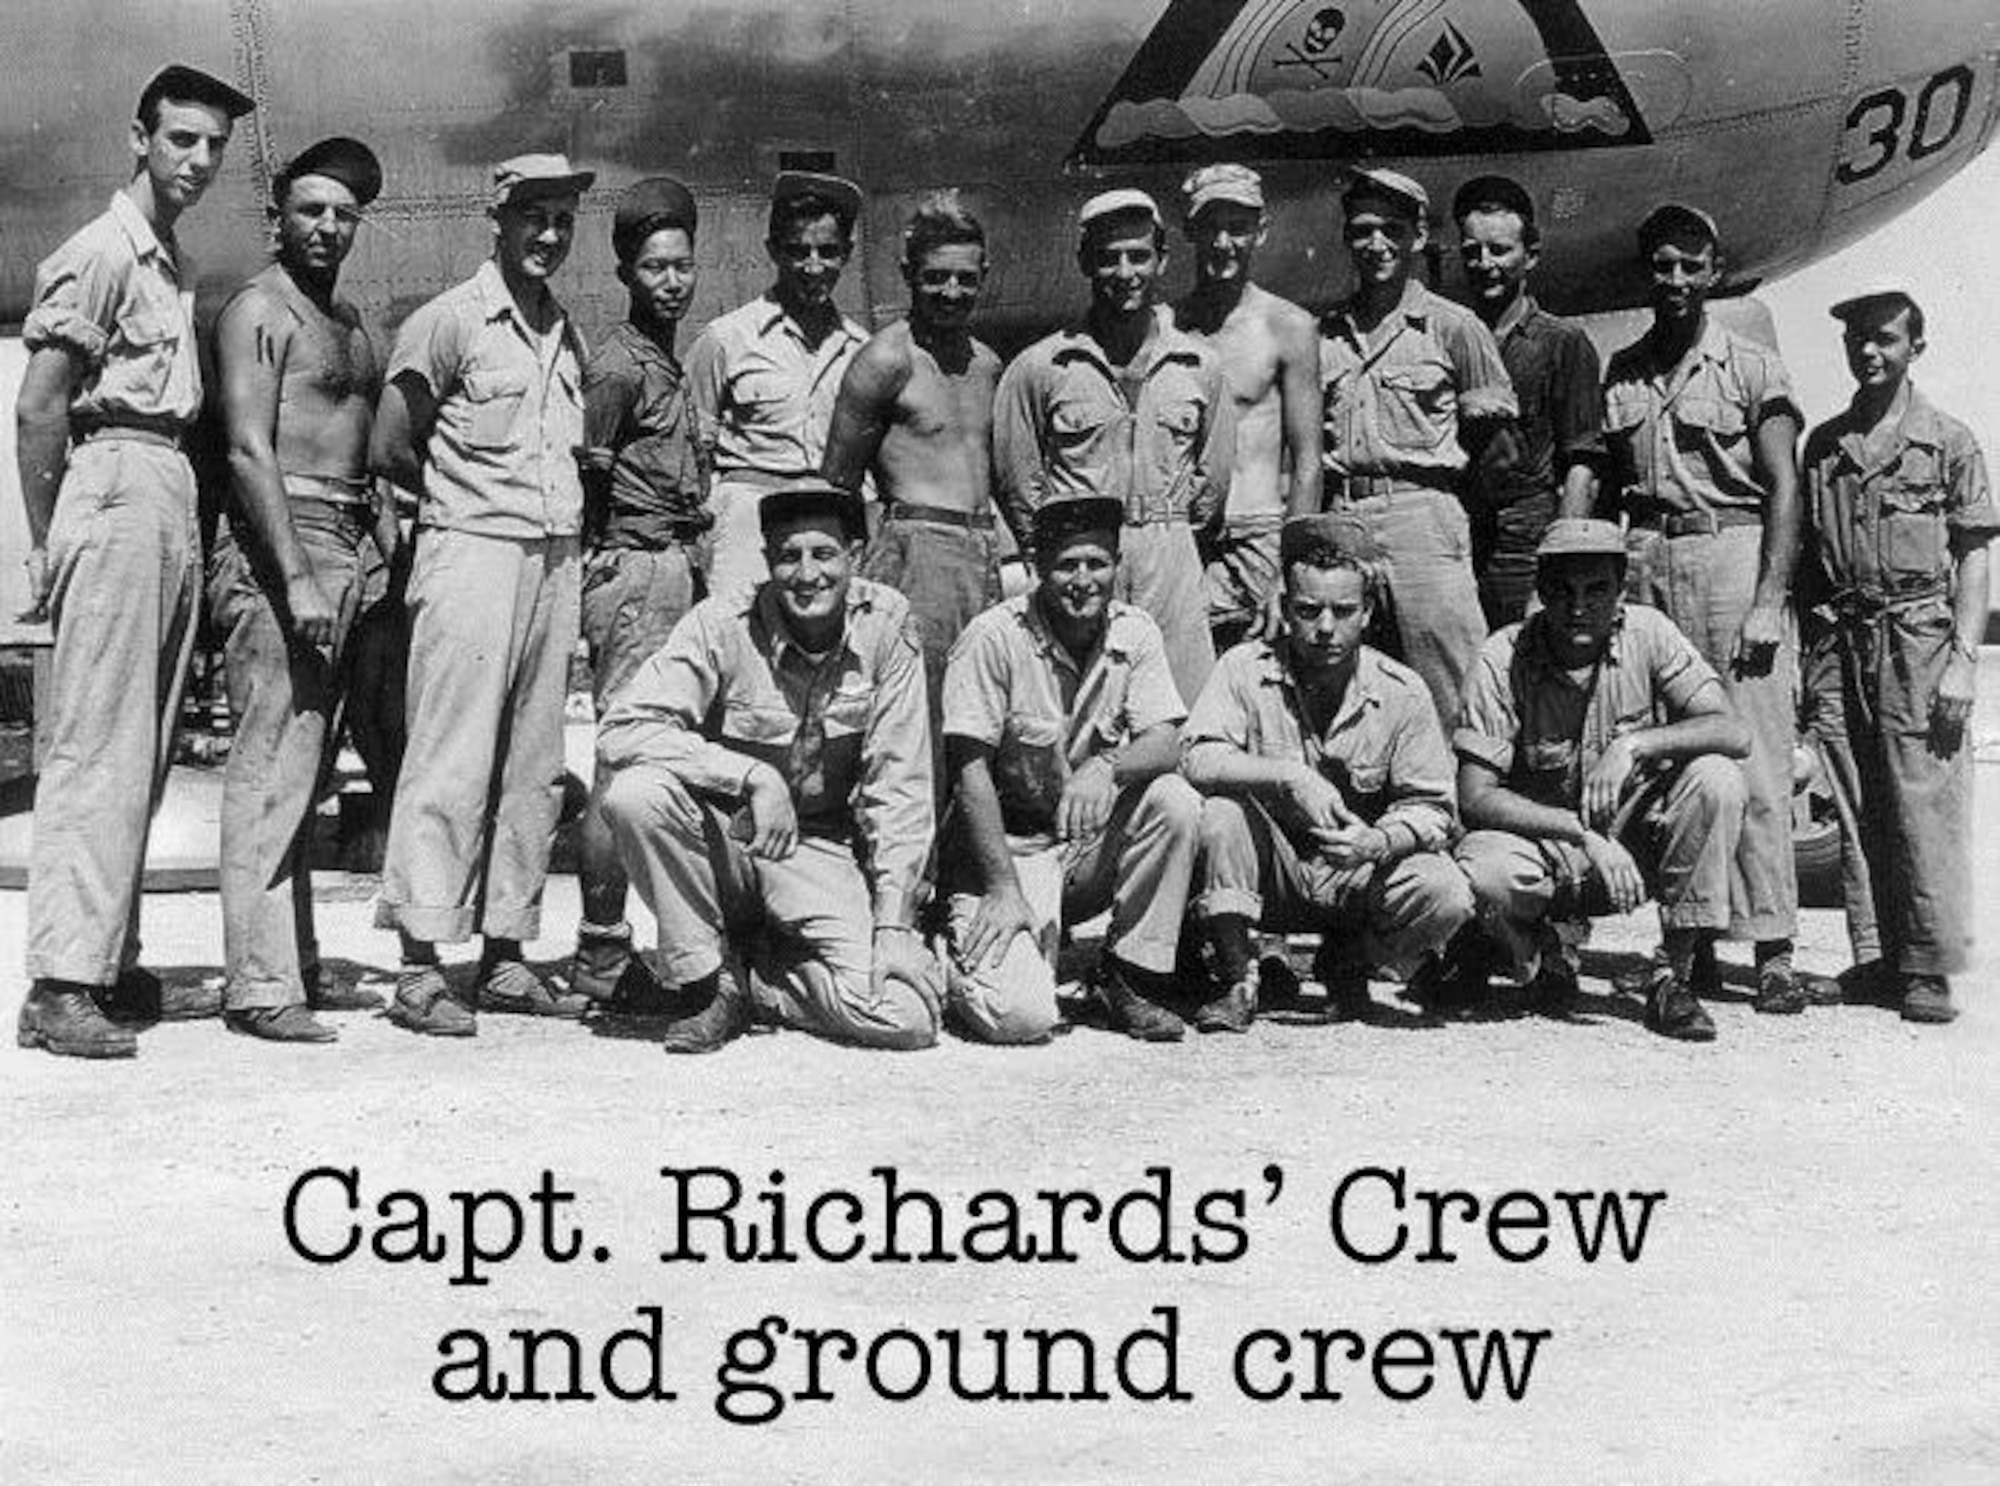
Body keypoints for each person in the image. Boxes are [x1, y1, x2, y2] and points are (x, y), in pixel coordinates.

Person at [15, 64, 254, 1059]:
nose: (196, 160)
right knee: (95, 749)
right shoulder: (103, 253)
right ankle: (60, 983)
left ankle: (107, 960)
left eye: (211, 146)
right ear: (139, 138)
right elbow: (38, 408)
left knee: (143, 751)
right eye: (180, 140)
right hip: (112, 478)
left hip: (160, 487)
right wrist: (51, 543)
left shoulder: (169, 260)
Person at [370, 153, 595, 1036]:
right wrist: (443, 525)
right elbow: (394, 446)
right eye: (532, 216)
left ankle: (505, 954)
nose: (547, 234)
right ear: (495, 219)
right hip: (471, 551)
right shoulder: (450, 322)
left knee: (533, 766)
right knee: (451, 756)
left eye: (561, 220)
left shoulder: (561, 331)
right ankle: (422, 966)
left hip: (553, 556)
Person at [596, 480, 941, 1054]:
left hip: (820, 847)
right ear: (767, 563)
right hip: (728, 838)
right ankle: (711, 983)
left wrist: (894, 926)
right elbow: (623, 730)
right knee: (637, 794)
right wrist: (752, 776)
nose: (807, 575)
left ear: (855, 557)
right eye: (789, 556)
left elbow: (900, 785)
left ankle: (760, 981)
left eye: (824, 554)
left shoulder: (887, 624)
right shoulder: (721, 623)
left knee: (903, 1016)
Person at [207, 136, 396, 1043]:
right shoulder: (258, 310)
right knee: (268, 763)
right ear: (277, 215)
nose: (327, 227)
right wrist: (293, 578)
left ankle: (294, 965)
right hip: (284, 548)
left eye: (344, 214)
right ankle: (257, 986)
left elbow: (368, 446)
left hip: (348, 543)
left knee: (309, 765)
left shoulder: (350, 322)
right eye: (310, 210)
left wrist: (381, 536)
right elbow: (249, 450)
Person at [1603, 202, 1808, 1014]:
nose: (1678, 281)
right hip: (1649, 561)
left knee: (1753, 754)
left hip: (1731, 552)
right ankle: (1688, 943)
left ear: (1714, 273)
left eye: (1693, 266)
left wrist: (1770, 599)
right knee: (1681, 760)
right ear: (1647, 274)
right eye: (1663, 266)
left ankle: (1774, 950)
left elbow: (1785, 485)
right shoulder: (1623, 370)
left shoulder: (1750, 366)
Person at [1454, 518, 1753, 1042]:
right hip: (1549, 848)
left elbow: (1732, 731)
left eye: (1597, 590)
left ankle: (1672, 975)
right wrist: (1580, 832)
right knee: (1483, 868)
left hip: (1635, 850)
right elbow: (1475, 796)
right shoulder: (1503, 657)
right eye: (1562, 591)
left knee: (1717, 778)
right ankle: (1539, 953)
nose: (1578, 607)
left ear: (1621, 592)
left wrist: (1636, 743)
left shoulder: (1650, 632)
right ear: (1540, 592)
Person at [1184, 512, 1474, 1030]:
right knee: (1221, 813)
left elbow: (1434, 809)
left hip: (1356, 873)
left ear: (1366, 612)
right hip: (1271, 873)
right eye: (1307, 610)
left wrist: (1379, 842)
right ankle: (1236, 976)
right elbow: (1198, 757)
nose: (1324, 628)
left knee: (1443, 888)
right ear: (1283, 609)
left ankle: (1353, 960)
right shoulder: (1244, 669)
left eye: (1342, 611)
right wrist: (1288, 776)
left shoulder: (1401, 691)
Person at [1798, 286, 1996, 1024]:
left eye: (1884, 338)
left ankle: (1930, 967)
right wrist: (1809, 659)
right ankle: (1879, 957)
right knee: (1854, 798)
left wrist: (1963, 660)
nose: (1869, 353)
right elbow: (1811, 566)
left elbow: (1973, 556)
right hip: (1844, 638)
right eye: (1858, 341)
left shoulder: (1947, 440)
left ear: (1917, 346)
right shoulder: (1825, 447)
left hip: (1919, 638)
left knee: (1926, 797)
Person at [940, 496, 1202, 1043]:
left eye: (1097, 564)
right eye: (1066, 566)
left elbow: (1167, 739)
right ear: (1037, 569)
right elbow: (969, 773)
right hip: (1008, 853)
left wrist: (1106, 767)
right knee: (1021, 1018)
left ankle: (1127, 975)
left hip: (1081, 849)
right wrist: (1001, 888)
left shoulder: (1136, 631)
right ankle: (943, 951)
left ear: (1117, 566)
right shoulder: (993, 637)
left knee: (1174, 800)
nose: (1083, 580)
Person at [994, 188, 1234, 705]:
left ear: (1162, 259)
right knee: (1079, 712)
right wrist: (1060, 554)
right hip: (1080, 562)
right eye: (1108, 258)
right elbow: (1019, 482)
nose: (1125, 272)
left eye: (1138, 255)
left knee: (1186, 715)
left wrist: (1164, 534)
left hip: (1170, 557)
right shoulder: (1041, 367)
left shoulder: (1200, 366)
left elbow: (1211, 483)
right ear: (1084, 262)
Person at [568, 176, 712, 1011]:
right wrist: (608, 553)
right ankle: (599, 953)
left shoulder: (667, 358)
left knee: (658, 756)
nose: (671, 280)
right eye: (654, 267)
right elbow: (591, 473)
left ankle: (653, 946)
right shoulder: (620, 365)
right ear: (626, 271)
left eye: (682, 265)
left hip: (672, 569)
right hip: (636, 571)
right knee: (624, 756)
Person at [1320, 166, 1517, 729]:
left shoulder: (1454, 327)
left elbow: (1499, 451)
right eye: (1362, 231)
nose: (1376, 245)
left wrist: (1446, 512)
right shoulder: (1328, 334)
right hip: (1346, 519)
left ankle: (1473, 809)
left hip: (1424, 517)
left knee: (1454, 687)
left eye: (1392, 230)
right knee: (1353, 686)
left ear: (1418, 237)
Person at [821, 191, 1005, 713]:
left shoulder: (987, 364)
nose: (951, 292)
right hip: (916, 556)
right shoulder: (885, 359)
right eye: (936, 277)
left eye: (966, 278)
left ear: (983, 274)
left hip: (982, 554)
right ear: (907, 273)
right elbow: (837, 482)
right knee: (918, 710)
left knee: (979, 710)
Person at [688, 171, 869, 593]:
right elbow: (694, 451)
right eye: (797, 251)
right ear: (773, 251)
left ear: (848, 253)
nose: (813, 266)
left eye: (828, 251)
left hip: (826, 522)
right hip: (747, 519)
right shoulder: (727, 338)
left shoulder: (863, 350)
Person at [1171, 163, 1322, 651]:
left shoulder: (1289, 326)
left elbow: (1308, 460)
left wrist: (1290, 568)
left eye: (1237, 228)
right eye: (1211, 227)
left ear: (1261, 232)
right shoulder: (1169, 328)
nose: (1223, 243)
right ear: (1189, 231)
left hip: (1262, 534)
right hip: (1188, 538)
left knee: (1271, 684)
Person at [1450, 175, 1604, 625]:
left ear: (1530, 255)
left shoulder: (1563, 343)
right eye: (1472, 252)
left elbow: (1583, 462)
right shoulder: (1450, 337)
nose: (1484, 263)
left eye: (1499, 250)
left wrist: (1559, 561)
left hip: (1527, 544)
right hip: (1457, 540)